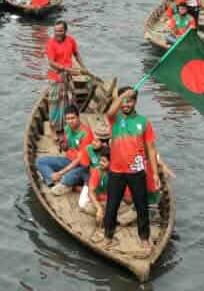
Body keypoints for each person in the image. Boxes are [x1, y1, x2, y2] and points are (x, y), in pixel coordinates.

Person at [100, 87, 167, 258]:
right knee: (112, 205)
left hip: (136, 171)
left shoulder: (144, 122)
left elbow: (151, 150)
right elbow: (109, 111)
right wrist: (123, 95)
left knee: (141, 206)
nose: (126, 104)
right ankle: (108, 236)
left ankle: (144, 238)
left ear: (135, 102)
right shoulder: (114, 119)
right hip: (116, 171)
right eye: (123, 101)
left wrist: (153, 174)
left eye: (129, 101)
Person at [35, 105, 94, 194]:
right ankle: (55, 180)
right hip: (68, 160)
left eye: (73, 118)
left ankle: (56, 180)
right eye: (68, 119)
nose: (70, 121)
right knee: (40, 161)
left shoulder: (86, 133)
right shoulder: (67, 129)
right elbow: (66, 148)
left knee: (67, 177)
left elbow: (79, 160)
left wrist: (61, 173)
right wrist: (59, 142)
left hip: (83, 166)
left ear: (78, 117)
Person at [44, 21, 80, 132]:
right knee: (54, 103)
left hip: (67, 77)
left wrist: (84, 67)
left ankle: (67, 127)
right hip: (55, 78)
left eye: (60, 31)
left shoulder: (71, 40)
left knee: (70, 101)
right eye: (55, 31)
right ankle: (54, 130)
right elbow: (51, 62)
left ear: (65, 31)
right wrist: (67, 69)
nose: (57, 33)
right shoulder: (51, 43)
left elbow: (76, 54)